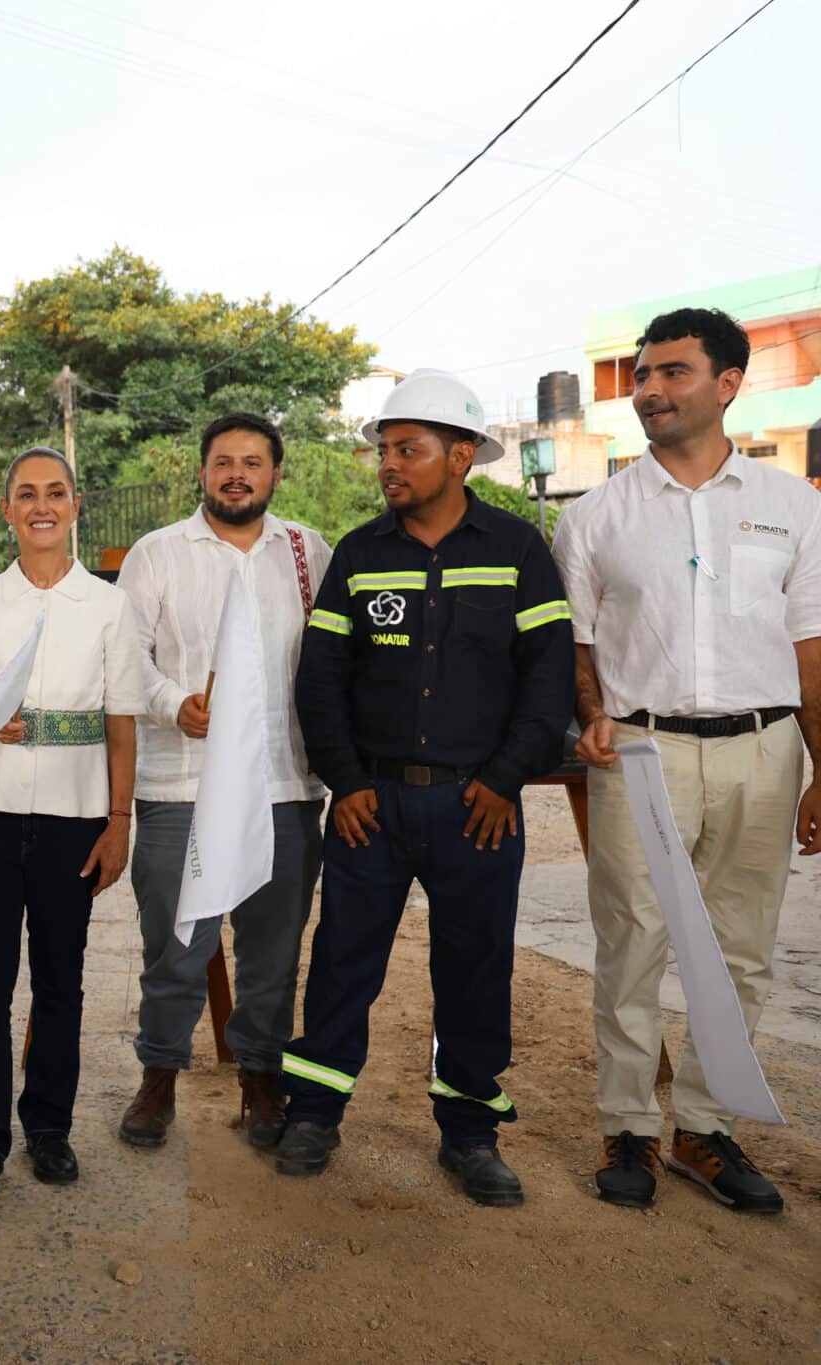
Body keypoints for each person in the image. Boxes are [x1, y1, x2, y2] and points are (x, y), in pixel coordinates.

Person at [281, 369, 572, 1206]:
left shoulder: (518, 551)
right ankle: (314, 1112)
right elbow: (320, 680)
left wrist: (505, 780)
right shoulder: (360, 555)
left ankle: (470, 1133)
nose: (388, 465)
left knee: (475, 969)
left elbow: (548, 679)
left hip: (479, 809)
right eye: (385, 450)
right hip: (371, 807)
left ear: (461, 455)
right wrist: (346, 781)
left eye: (407, 449)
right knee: (342, 962)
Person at [554, 307, 821, 1215]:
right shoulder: (595, 515)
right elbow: (579, 646)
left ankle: (704, 1129)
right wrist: (593, 716)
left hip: (766, 747)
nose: (649, 391)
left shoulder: (793, 506)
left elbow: (810, 644)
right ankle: (627, 1126)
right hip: (640, 749)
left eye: (672, 372)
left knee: (742, 947)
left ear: (728, 384)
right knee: (632, 941)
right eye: (641, 375)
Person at [116, 414, 331, 1153]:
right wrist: (174, 703)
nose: (237, 473)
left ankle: (262, 1079)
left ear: (275, 474)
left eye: (253, 461)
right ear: (203, 472)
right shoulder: (157, 553)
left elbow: (334, 659)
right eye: (223, 461)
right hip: (182, 784)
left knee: (273, 952)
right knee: (177, 946)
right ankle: (160, 1075)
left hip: (284, 784)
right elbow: (127, 657)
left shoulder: (308, 552)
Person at [0, 447, 140, 1202]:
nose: (41, 506)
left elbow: (121, 722)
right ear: (7, 510)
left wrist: (118, 820)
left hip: (74, 819)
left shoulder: (109, 606)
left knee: (61, 980)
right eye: (26, 494)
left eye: (55, 493)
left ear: (75, 505)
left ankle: (50, 1129)